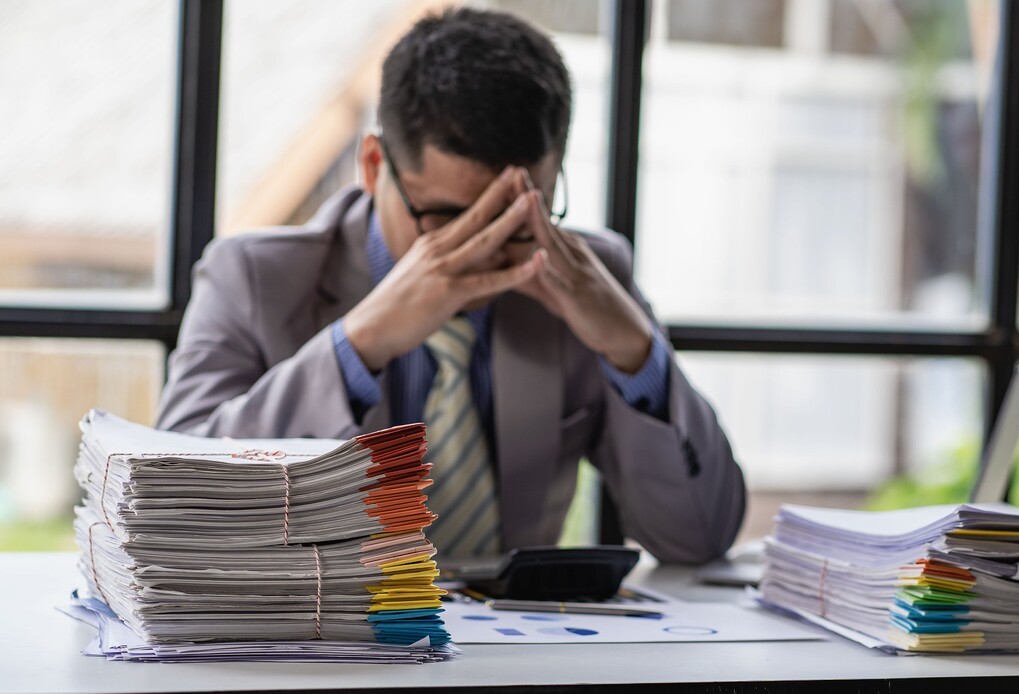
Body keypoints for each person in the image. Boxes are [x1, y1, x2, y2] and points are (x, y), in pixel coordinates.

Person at [157, 7, 744, 564]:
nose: (483, 245)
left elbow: (700, 536)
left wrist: (634, 352)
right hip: (315, 652)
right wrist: (358, 345)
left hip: (516, 659)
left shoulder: (588, 277)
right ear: (372, 167)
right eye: (447, 217)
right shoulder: (253, 276)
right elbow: (170, 510)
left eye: (515, 217)